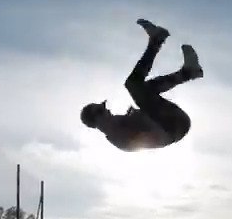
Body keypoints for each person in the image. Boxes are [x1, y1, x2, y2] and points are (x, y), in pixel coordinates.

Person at [80, 18, 204, 151]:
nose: (107, 110)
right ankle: (157, 41)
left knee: (145, 88)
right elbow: (156, 138)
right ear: (96, 122)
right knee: (133, 85)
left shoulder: (117, 123)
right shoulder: (118, 137)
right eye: (101, 111)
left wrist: (140, 114)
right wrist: (142, 116)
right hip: (173, 126)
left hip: (171, 122)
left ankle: (188, 72)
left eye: (104, 107)